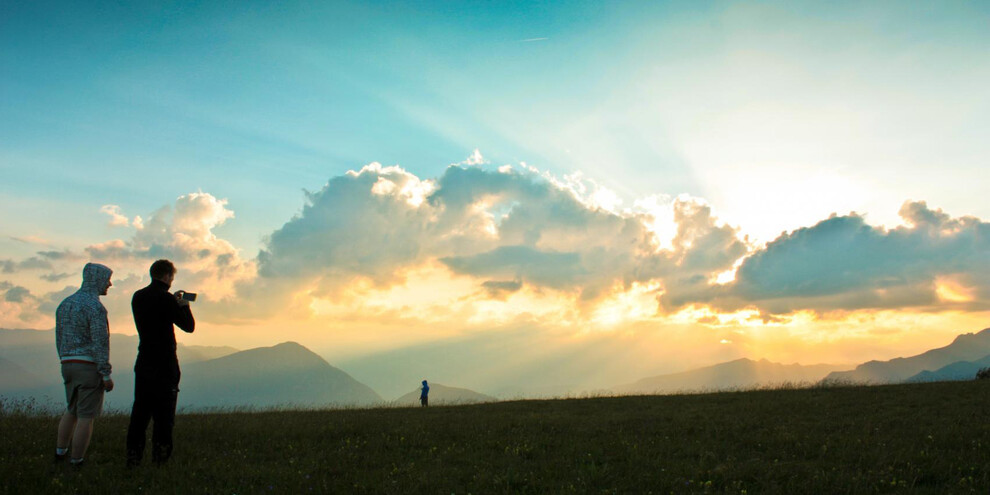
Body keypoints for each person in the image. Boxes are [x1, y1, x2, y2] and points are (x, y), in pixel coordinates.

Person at [125, 259, 195, 467]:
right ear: (167, 276)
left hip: (144, 360)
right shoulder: (167, 300)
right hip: (165, 364)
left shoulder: (138, 297)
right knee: (164, 416)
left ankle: (133, 457)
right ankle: (160, 458)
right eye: (172, 277)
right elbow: (189, 327)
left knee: (140, 413)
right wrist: (184, 306)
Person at [54, 262, 115, 468]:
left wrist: (64, 358)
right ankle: (77, 460)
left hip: (67, 363)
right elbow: (100, 342)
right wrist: (105, 374)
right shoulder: (95, 307)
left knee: (71, 409)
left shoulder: (65, 304)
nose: (109, 284)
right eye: (107, 279)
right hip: (87, 366)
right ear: (97, 280)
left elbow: (59, 336)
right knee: (86, 416)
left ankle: (60, 451)